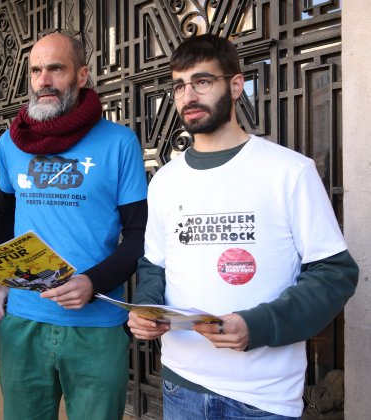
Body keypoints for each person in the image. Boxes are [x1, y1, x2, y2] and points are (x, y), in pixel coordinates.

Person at [127, 34, 359, 419]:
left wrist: (257, 325)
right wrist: (149, 308)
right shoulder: (166, 180)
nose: (188, 96)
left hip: (261, 398)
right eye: (179, 86)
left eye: (202, 81)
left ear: (236, 85)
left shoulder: (289, 171)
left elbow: (335, 274)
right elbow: (155, 265)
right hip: (180, 383)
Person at [0, 32, 148, 420]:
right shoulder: (10, 143)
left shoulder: (119, 142)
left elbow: (140, 235)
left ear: (81, 76)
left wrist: (93, 282)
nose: (43, 80)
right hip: (24, 321)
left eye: (56, 68)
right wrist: (0, 283)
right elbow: (5, 219)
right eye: (36, 70)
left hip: (97, 326)